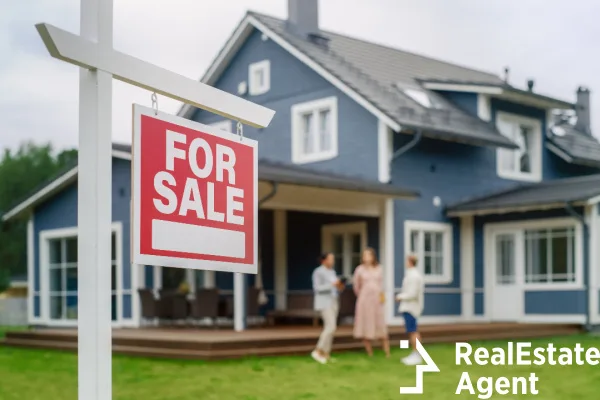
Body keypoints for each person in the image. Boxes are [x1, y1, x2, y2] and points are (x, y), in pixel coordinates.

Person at [352, 247, 390, 357]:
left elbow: (382, 284)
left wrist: (381, 296)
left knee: (380, 324)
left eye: (368, 255)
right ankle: (370, 352)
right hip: (365, 300)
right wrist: (363, 295)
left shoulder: (379, 269)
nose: (366, 257)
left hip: (377, 300)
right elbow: (356, 286)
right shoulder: (359, 270)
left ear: (373, 257)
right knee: (366, 323)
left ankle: (387, 352)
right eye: (364, 255)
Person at [311, 252, 344, 364]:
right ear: (324, 260)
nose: (332, 261)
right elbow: (317, 288)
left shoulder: (332, 272)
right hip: (324, 302)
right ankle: (318, 350)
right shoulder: (318, 272)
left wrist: (339, 286)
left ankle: (326, 353)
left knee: (331, 328)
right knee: (331, 327)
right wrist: (332, 285)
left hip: (333, 301)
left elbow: (335, 286)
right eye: (330, 259)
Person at [395, 254, 425, 366]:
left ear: (410, 262)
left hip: (411, 307)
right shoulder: (412, 275)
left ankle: (417, 354)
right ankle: (415, 353)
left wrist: (400, 296)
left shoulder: (414, 276)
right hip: (409, 307)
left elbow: (412, 293)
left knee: (413, 331)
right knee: (412, 331)